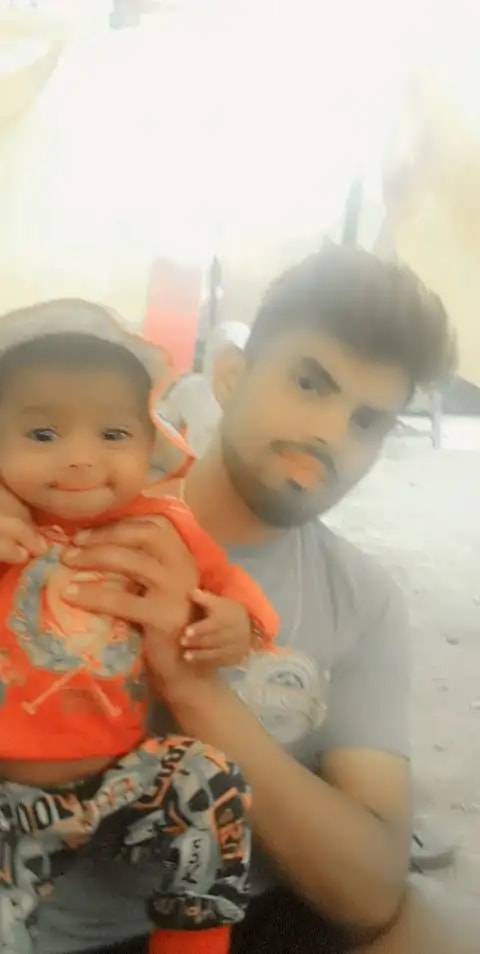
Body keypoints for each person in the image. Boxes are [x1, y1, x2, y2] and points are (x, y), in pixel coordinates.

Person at [0, 244, 475, 954]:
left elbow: (372, 892)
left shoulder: (363, 601)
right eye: (309, 383)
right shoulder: (57, 501)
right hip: (55, 916)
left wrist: (195, 686)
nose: (330, 434)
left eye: (368, 421)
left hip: (250, 905)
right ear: (229, 376)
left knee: (443, 926)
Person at [0, 300, 280, 954]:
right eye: (43, 433)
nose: (80, 459)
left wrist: (236, 624)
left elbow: (229, 586)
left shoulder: (162, 528)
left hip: (122, 779)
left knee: (211, 781)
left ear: (150, 445)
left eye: (112, 434)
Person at [163, 321, 250, 457]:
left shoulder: (251, 402)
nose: (228, 365)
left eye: (237, 358)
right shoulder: (189, 389)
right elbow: (167, 424)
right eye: (223, 355)